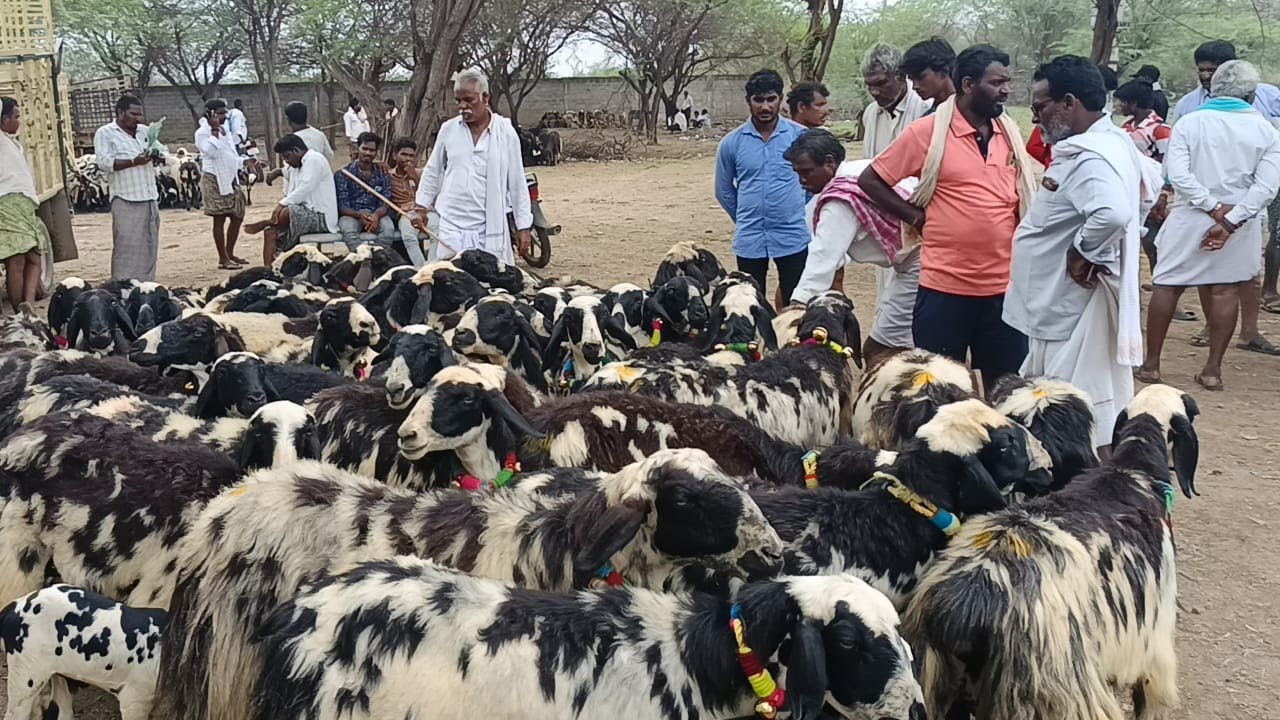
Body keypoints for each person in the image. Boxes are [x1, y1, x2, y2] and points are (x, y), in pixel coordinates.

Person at [1005, 56, 1162, 450]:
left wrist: (1084, 250)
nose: (1036, 116)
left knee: (1074, 410)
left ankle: (1088, 494)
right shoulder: (1110, 144)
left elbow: (1112, 212)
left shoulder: (1093, 155)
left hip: (1072, 302)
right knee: (1076, 402)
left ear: (1069, 102)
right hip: (1061, 301)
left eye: (1040, 106)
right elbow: (1148, 189)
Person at [859, 44, 1038, 388]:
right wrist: (919, 217)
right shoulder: (927, 132)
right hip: (945, 290)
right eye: (997, 82)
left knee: (1007, 385)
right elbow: (872, 180)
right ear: (968, 84)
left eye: (1007, 81)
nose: (1005, 89)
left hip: (1004, 290)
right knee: (942, 388)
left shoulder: (1008, 133)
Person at [1137, 61, 1280, 391]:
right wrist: (1229, 219)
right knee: (1226, 289)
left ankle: (1151, 365)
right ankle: (1213, 370)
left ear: (1212, 89)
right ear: (1252, 94)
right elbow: (1266, 187)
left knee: (1167, 285)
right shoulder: (1266, 131)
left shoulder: (1190, 122)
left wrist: (1212, 208)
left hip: (1191, 215)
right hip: (1240, 221)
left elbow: (1176, 174)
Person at [1169, 39, 1280, 340]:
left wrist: (1237, 212)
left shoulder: (1268, 97)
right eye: (1202, 70)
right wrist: (1214, 208)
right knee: (1211, 272)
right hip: (1201, 203)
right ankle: (1212, 327)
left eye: (1213, 70)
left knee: (1249, 271)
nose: (1207, 76)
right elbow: (1176, 160)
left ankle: (1250, 331)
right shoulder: (1189, 106)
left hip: (1251, 200)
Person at [788, 129, 920, 367]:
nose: (801, 181)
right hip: (935, 253)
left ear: (829, 162)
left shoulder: (839, 199)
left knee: (879, 350)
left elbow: (823, 259)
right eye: (797, 173)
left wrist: (796, 307)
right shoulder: (862, 168)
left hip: (920, 263)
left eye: (807, 172)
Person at [413, 67, 532, 265]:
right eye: (458, 101)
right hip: (452, 223)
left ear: (486, 98)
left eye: (469, 100)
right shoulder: (448, 129)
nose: (462, 106)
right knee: (452, 281)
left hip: (490, 227)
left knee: (490, 281)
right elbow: (433, 170)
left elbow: (517, 182)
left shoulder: (505, 132)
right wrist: (421, 208)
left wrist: (524, 226)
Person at [714, 69, 810, 307]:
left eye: (771, 99)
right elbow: (724, 189)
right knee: (750, 303)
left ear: (780, 99)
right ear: (749, 102)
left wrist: (794, 209)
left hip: (792, 235)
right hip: (750, 238)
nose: (765, 107)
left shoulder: (801, 138)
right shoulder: (731, 143)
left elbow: (813, 183)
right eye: (758, 100)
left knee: (796, 301)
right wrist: (746, 218)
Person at [93, 94, 161, 281]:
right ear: (120, 112)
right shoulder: (106, 133)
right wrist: (134, 161)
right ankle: (122, 287)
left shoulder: (145, 132)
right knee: (127, 248)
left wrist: (157, 156)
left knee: (149, 245)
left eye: (140, 115)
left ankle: (146, 286)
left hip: (149, 197)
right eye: (133, 114)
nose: (138, 119)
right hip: (126, 198)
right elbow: (104, 162)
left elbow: (161, 151)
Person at [243, 134, 338, 265]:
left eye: (287, 156)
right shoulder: (296, 165)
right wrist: (276, 172)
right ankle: (268, 272)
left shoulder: (314, 160)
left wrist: (280, 205)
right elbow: (286, 172)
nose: (286, 161)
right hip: (306, 214)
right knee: (270, 233)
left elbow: (305, 187)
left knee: (287, 211)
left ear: (296, 151)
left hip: (321, 217)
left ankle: (270, 221)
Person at [0, 97, 49, 315]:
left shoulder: (12, 143)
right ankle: (19, 313)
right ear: (4, 119)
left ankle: (28, 307)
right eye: (16, 117)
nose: (19, 121)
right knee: (16, 259)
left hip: (24, 204)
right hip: (7, 203)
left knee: (34, 257)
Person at [195, 99, 252, 269]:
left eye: (225, 113)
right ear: (210, 114)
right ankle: (223, 258)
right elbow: (210, 152)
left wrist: (244, 162)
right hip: (214, 177)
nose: (224, 116)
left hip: (229, 176)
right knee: (219, 219)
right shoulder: (202, 133)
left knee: (237, 215)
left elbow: (230, 154)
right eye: (220, 113)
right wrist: (214, 130)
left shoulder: (225, 129)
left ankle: (229, 253)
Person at [861, 43, 929, 159]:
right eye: (869, 85)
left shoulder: (925, 109)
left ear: (901, 76)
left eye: (881, 83)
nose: (874, 92)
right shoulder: (870, 114)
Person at [335, 131, 396, 248]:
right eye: (364, 148)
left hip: (377, 215)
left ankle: (379, 260)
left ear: (376, 152)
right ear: (358, 148)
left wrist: (376, 216)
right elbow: (342, 206)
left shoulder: (383, 173)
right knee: (349, 231)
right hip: (352, 215)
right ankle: (362, 261)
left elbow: (386, 202)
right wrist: (360, 215)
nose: (368, 153)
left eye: (372, 150)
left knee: (388, 230)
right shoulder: (343, 174)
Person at [388, 137, 428, 267]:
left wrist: (414, 176)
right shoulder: (388, 176)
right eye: (404, 154)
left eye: (411, 156)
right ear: (395, 155)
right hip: (405, 213)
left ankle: (432, 266)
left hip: (426, 211)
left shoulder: (421, 173)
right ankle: (422, 269)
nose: (408, 159)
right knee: (409, 236)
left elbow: (428, 192)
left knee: (438, 234)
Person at [1115, 79, 1172, 161]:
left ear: (1134, 103)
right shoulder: (1126, 125)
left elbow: (1166, 160)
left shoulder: (1160, 129)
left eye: (1123, 102)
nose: (1119, 105)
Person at [902, 37, 956, 113]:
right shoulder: (929, 119)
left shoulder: (973, 109)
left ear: (944, 70)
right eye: (912, 80)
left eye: (920, 77)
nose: (915, 86)